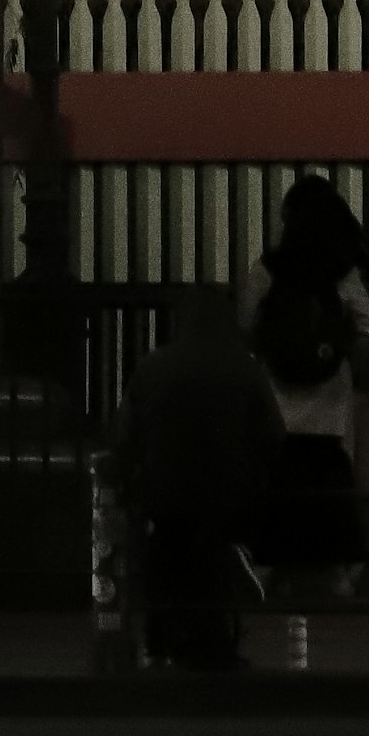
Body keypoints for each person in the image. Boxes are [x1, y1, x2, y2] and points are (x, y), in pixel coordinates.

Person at [236, 175, 369, 594]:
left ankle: (272, 565)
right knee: (330, 473)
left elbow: (245, 324)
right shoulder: (342, 268)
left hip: (277, 386)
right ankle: (335, 568)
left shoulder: (268, 267)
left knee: (278, 473)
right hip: (329, 392)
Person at [119, 283, 282, 668]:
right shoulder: (245, 367)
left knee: (167, 546)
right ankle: (214, 639)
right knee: (213, 550)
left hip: (165, 495)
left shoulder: (154, 366)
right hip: (229, 496)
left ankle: (161, 636)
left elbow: (124, 435)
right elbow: (273, 434)